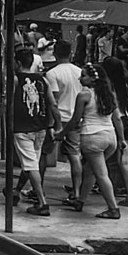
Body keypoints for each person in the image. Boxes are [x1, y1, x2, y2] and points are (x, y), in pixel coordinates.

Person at [63, 63, 123, 219]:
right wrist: (121, 139)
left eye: (83, 75)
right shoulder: (109, 94)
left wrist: (60, 133)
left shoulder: (84, 95)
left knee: (102, 175)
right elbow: (117, 118)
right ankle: (80, 201)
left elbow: (76, 120)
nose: (80, 78)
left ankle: (113, 208)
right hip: (110, 138)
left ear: (92, 78)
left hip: (92, 137)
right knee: (90, 171)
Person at [9, 47, 58, 216]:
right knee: (32, 163)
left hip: (23, 128)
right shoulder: (43, 80)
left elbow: (6, 104)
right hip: (40, 127)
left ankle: (42, 202)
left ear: (18, 62)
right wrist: (55, 125)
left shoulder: (15, 79)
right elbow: (53, 104)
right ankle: (16, 191)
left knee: (30, 165)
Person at [44, 38, 85, 204]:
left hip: (58, 119)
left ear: (54, 54)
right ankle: (76, 191)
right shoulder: (80, 72)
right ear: (71, 53)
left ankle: (36, 188)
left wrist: (54, 124)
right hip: (76, 119)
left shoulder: (52, 73)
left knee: (44, 154)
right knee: (74, 156)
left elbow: (53, 100)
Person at [99, 55, 128, 205]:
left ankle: (83, 189)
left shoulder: (106, 87)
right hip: (127, 122)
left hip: (112, 123)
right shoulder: (124, 87)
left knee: (96, 158)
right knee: (125, 162)